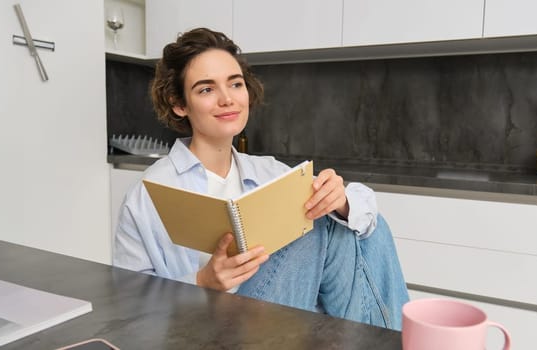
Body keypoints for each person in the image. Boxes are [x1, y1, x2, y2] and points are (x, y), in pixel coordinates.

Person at [113, 28, 409, 330]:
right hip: (201, 333)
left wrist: (340, 200)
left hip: (280, 327)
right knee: (319, 224)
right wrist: (202, 282)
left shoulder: (270, 172)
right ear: (179, 104)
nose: (227, 99)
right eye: (206, 89)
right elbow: (130, 307)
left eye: (235, 84)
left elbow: (367, 219)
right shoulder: (148, 194)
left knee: (353, 220)